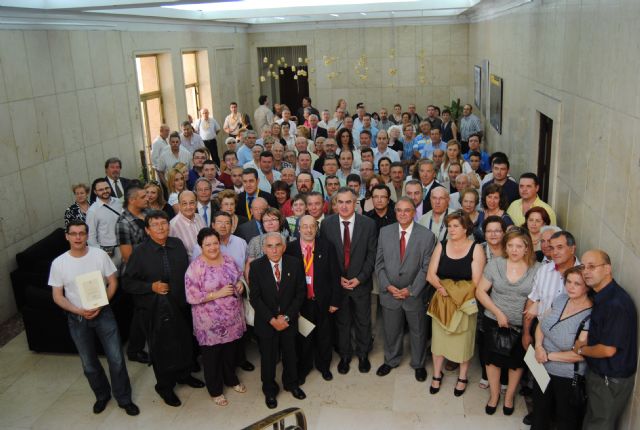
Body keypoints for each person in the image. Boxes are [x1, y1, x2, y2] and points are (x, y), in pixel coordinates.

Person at [48, 220, 140, 416]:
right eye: (73, 234)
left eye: (82, 233)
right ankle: (102, 396)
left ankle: (124, 399)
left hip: (103, 313)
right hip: (77, 318)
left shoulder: (99, 255)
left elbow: (113, 282)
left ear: (87, 235)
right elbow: (57, 296)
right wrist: (78, 311)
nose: (78, 237)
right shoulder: (59, 263)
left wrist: (101, 303)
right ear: (67, 236)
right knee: (89, 364)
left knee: (116, 359)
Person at [122, 210, 205, 407]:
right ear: (147, 230)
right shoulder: (140, 252)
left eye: (164, 223)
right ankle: (165, 386)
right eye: (155, 225)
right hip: (154, 310)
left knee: (185, 343)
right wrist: (151, 287)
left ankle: (184, 375)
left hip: (180, 305)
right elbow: (127, 282)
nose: (161, 228)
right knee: (162, 349)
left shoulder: (176, 245)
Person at [475, 228, 540, 415]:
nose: (514, 250)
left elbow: (542, 296)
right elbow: (480, 291)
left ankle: (509, 396)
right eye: (510, 245)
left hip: (521, 326)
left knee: (516, 362)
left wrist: (536, 305)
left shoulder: (538, 268)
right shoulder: (495, 264)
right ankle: (494, 395)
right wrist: (498, 313)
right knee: (492, 360)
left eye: (519, 246)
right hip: (493, 321)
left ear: (527, 248)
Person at [375, 197, 436, 382]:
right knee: (391, 330)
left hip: (414, 295)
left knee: (418, 332)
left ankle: (418, 363)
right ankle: (391, 360)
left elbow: (426, 268)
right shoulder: (384, 232)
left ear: (414, 212)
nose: (402, 214)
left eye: (407, 210)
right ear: (395, 211)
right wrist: (387, 286)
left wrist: (411, 290)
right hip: (390, 293)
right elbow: (379, 264)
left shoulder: (426, 236)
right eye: (399, 210)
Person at [575, 250, 638, 430]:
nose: (586, 271)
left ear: (607, 269)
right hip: (600, 376)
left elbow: (608, 350)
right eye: (583, 267)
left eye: (592, 267)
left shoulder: (616, 304)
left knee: (599, 425)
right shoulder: (601, 295)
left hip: (609, 380)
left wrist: (580, 350)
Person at [184, 228, 246, 407]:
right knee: (212, 357)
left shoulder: (228, 260)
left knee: (229, 352)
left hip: (232, 318)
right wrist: (217, 294)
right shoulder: (196, 267)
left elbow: (240, 275)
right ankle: (215, 389)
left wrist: (241, 284)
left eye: (215, 243)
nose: (212, 247)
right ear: (201, 246)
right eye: (207, 244)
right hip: (209, 323)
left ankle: (231, 379)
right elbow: (191, 296)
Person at [426, 211, 486, 396]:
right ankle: (437, 374)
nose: (451, 230)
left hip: (464, 303)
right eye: (449, 226)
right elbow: (431, 275)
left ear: (466, 228)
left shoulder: (476, 248)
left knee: (463, 342)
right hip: (442, 301)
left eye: (456, 226)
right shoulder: (442, 245)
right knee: (439, 340)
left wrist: (450, 290)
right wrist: (442, 288)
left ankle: (462, 377)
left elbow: (476, 282)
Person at [320, 187, 377, 375]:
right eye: (340, 202)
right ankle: (345, 355)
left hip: (360, 283)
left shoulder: (368, 224)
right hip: (339, 284)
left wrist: (359, 279)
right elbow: (326, 255)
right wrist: (338, 278)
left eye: (348, 202)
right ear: (335, 204)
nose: (344, 206)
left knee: (363, 320)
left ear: (355, 203)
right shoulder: (327, 224)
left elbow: (372, 255)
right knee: (342, 322)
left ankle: (363, 354)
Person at [249, 232, 307, 409]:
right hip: (267, 322)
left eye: (277, 245)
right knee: (268, 358)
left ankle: (292, 384)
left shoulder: (295, 264)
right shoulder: (257, 266)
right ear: (264, 249)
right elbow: (255, 298)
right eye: (269, 246)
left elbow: (300, 293)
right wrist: (272, 320)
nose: (274, 250)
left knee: (290, 354)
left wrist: (287, 317)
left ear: (283, 247)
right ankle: (269, 390)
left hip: (288, 321)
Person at [532, 266, 592, 430]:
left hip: (566, 376)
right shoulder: (561, 299)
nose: (570, 287)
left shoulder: (589, 316)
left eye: (577, 284)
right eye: (569, 282)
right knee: (539, 412)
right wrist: (538, 346)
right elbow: (541, 324)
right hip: (541, 365)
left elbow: (580, 354)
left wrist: (548, 356)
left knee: (566, 419)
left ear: (587, 286)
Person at [285, 215, 341, 383]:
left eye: (312, 226)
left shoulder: (326, 246)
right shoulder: (290, 248)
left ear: (316, 229)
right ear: (299, 229)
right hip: (301, 303)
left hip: (323, 301)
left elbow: (335, 275)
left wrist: (334, 301)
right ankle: (304, 367)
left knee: (324, 336)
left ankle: (324, 366)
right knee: (304, 338)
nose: (308, 230)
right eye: (305, 226)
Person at [116, 186, 151, 363]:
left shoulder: (148, 213)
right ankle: (135, 350)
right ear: (132, 200)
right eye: (143, 196)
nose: (147, 198)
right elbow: (127, 255)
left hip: (152, 269)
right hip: (137, 274)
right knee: (140, 313)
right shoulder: (123, 222)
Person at [86, 178, 123, 267]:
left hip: (125, 245)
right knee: (113, 279)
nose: (105, 191)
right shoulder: (93, 211)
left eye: (107, 188)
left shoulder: (118, 202)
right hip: (110, 252)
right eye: (101, 190)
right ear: (95, 192)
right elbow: (90, 236)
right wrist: (101, 253)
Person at [169, 190, 206, 260]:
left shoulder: (200, 218)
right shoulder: (173, 225)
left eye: (191, 203)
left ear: (196, 203)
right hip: (188, 267)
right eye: (184, 203)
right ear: (179, 205)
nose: (188, 207)